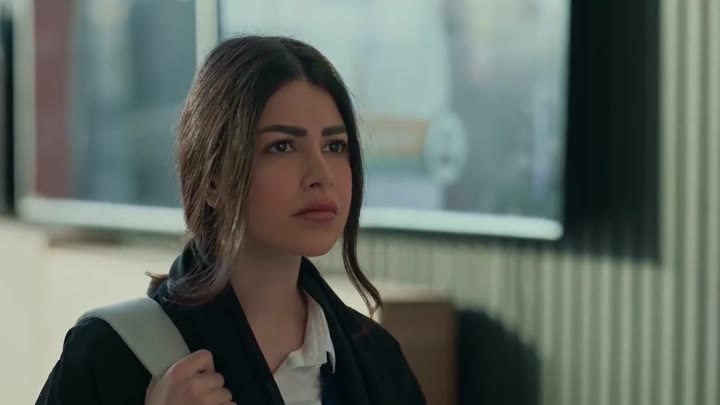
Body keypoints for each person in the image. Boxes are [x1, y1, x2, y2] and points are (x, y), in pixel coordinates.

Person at [35, 35, 425, 405]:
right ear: (212, 181)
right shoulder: (112, 353)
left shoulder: (377, 362)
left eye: (334, 145)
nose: (321, 174)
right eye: (282, 146)